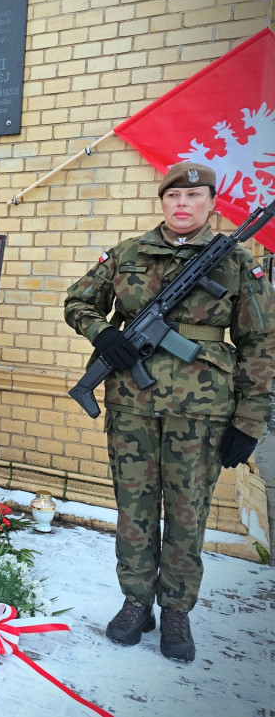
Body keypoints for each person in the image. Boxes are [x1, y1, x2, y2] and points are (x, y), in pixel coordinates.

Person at [64, 161, 275, 663]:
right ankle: (137, 602)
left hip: (201, 413)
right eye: (173, 196)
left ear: (211, 203)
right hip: (131, 408)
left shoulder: (238, 262)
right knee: (134, 508)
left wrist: (249, 421)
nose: (183, 204)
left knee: (187, 514)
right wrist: (105, 334)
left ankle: (176, 610)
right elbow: (77, 302)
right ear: (163, 202)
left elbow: (261, 344)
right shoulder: (127, 254)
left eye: (194, 196)